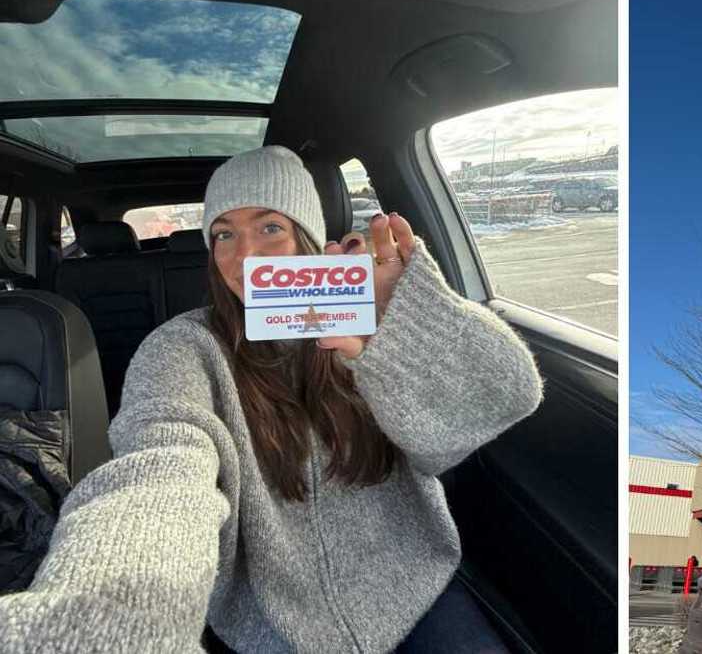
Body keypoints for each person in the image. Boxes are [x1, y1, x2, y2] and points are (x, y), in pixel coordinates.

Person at [0, 146, 544, 653]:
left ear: (308, 237)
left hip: (414, 588)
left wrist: (411, 322)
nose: (245, 255)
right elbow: (159, 467)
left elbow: (507, 394)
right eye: (224, 235)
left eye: (271, 227)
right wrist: (108, 613)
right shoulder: (181, 349)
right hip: (269, 621)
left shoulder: (373, 326)